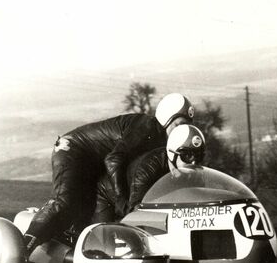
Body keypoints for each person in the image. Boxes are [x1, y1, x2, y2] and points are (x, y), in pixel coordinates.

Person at [24, 93, 195, 254]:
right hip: (74, 150)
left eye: (187, 125)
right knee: (66, 201)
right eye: (178, 124)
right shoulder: (148, 129)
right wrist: (122, 200)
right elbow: (113, 160)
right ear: (166, 119)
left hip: (95, 160)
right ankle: (26, 245)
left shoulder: (162, 140)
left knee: (87, 216)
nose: (182, 129)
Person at [92, 124, 206, 223]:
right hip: (109, 195)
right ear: (172, 154)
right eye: (187, 155)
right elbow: (135, 212)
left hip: (135, 199)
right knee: (105, 240)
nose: (194, 162)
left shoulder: (193, 172)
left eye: (198, 156)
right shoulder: (148, 169)